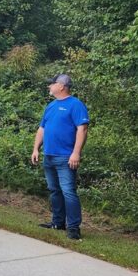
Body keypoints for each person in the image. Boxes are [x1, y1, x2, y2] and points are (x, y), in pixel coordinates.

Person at [31, 74, 90, 240]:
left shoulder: (76, 105)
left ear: (62, 86)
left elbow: (82, 129)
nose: (49, 87)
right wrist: (36, 149)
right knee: (54, 190)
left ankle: (73, 228)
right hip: (48, 156)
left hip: (65, 157)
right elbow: (42, 129)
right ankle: (58, 223)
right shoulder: (51, 106)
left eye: (52, 84)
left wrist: (76, 152)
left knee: (68, 192)